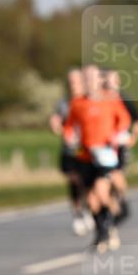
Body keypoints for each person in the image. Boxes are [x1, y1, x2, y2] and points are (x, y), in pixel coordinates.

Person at [63, 65, 131, 252]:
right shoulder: (77, 103)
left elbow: (124, 119)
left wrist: (116, 135)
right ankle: (102, 231)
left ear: (100, 80)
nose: (89, 82)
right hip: (85, 155)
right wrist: (69, 136)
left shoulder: (111, 99)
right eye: (86, 78)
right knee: (91, 200)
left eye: (92, 78)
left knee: (101, 192)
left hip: (106, 154)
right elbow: (70, 125)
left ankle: (117, 213)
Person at [49, 68, 92, 236]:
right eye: (71, 82)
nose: (73, 85)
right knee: (74, 180)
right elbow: (56, 121)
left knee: (87, 182)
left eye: (76, 81)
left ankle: (88, 208)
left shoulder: (88, 100)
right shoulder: (64, 103)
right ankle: (77, 214)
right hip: (70, 149)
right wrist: (56, 126)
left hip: (87, 148)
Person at [104, 69, 138, 224]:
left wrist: (132, 138)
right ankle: (114, 211)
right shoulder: (100, 100)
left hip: (120, 145)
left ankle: (123, 200)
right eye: (107, 81)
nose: (109, 84)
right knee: (107, 180)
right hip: (105, 145)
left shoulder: (124, 99)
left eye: (112, 80)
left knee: (116, 175)